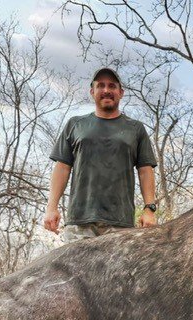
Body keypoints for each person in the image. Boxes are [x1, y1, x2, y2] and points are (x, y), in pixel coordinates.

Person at [44, 67, 157, 242]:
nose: (106, 90)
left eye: (112, 86)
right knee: (74, 271)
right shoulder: (75, 125)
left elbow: (145, 170)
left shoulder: (135, 128)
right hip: (79, 222)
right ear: (92, 91)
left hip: (120, 223)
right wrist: (51, 207)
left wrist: (149, 209)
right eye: (101, 86)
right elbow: (63, 167)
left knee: (118, 271)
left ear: (121, 92)